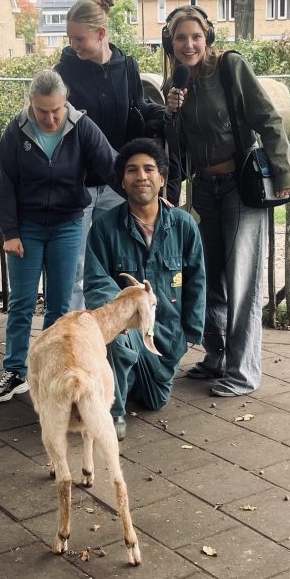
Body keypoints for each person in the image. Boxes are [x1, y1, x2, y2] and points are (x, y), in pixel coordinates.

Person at [161, 5, 290, 397]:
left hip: (240, 186)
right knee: (207, 277)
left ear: (208, 39)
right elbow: (177, 150)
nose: (188, 45)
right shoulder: (178, 82)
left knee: (241, 282)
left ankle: (243, 371)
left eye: (195, 37)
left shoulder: (230, 68)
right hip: (203, 189)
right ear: (171, 44)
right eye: (181, 39)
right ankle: (216, 356)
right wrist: (171, 115)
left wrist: (284, 172)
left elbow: (267, 118)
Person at [0, 69, 117, 403]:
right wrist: (10, 233)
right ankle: (16, 371)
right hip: (27, 229)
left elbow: (111, 165)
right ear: (31, 103)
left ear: (65, 102)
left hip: (68, 225)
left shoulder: (81, 127)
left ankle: (55, 370)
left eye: (57, 109)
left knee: (61, 305)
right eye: (43, 111)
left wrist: (146, 190)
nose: (51, 117)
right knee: (22, 302)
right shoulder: (15, 132)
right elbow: (4, 186)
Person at [55, 0, 173, 312]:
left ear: (101, 34)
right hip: (77, 185)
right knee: (73, 268)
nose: (73, 45)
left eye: (80, 39)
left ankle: (115, 340)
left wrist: (167, 114)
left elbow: (138, 111)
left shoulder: (127, 66)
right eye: (71, 38)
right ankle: (70, 343)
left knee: (119, 263)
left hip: (115, 185)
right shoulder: (63, 71)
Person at [84, 138, 205, 440]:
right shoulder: (104, 227)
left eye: (149, 169)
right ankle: (112, 415)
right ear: (122, 181)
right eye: (132, 170)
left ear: (162, 179)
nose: (141, 176)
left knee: (155, 402)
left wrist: (191, 333)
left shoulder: (183, 226)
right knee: (117, 341)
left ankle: (128, 375)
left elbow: (197, 280)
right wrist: (119, 314)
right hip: (127, 330)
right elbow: (97, 281)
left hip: (166, 339)